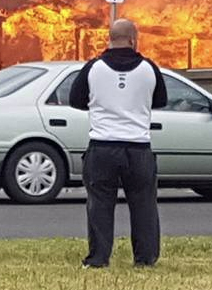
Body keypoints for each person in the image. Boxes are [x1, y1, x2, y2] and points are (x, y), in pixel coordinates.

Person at [69, 18, 167, 268]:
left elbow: (76, 100)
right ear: (133, 40)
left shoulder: (93, 68)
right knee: (144, 204)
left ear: (109, 39)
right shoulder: (148, 69)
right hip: (138, 148)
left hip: (102, 146)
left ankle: (98, 258)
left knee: (99, 204)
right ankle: (145, 259)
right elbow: (160, 100)